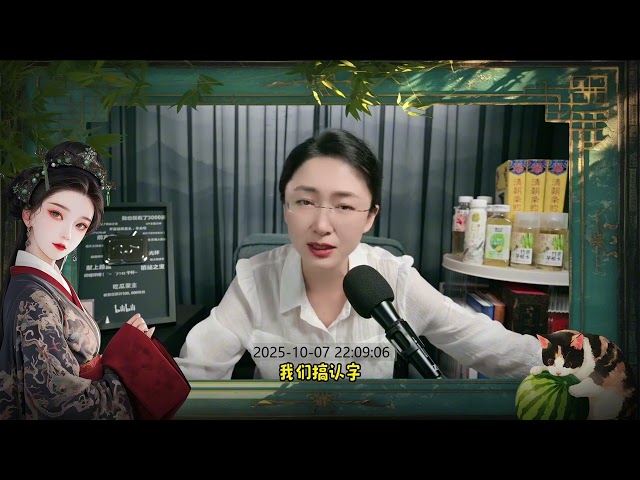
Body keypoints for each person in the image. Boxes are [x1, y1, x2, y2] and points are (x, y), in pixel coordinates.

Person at [175, 128, 541, 381]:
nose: (322, 225)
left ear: (370, 217)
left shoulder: (395, 278)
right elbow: (195, 376)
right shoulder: (254, 281)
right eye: (305, 202)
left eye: (345, 206)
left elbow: (490, 347)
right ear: (285, 206)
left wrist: (563, 358)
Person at [0, 141, 189, 420]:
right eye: (56, 213)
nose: (67, 234)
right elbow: (57, 403)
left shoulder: (45, 281)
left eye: (80, 225)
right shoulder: (34, 300)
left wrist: (124, 348)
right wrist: (126, 364)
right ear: (28, 214)